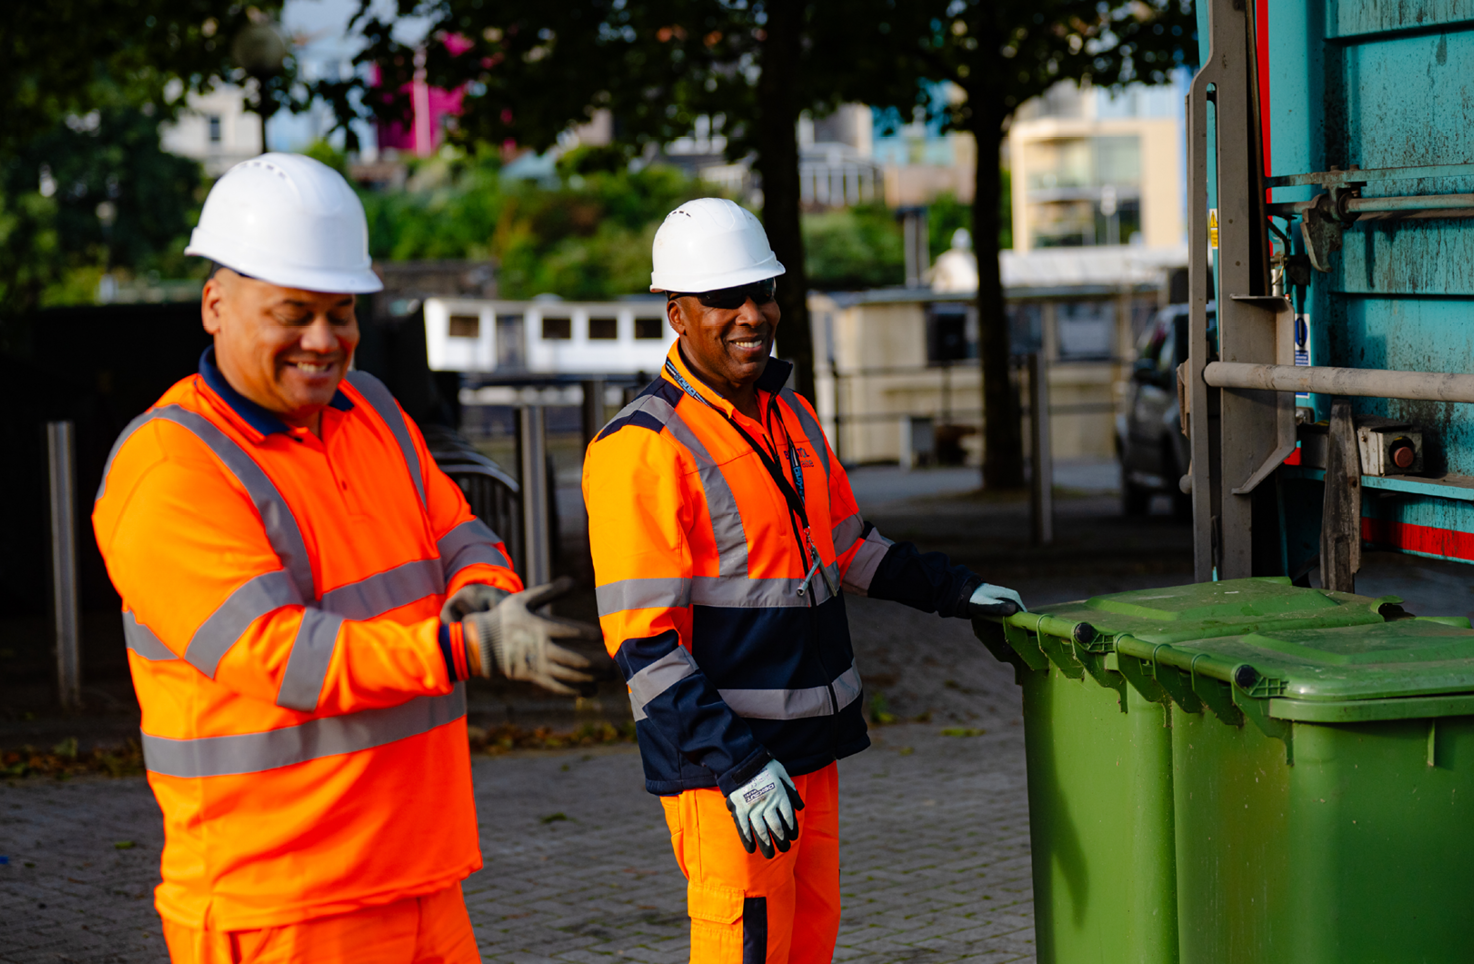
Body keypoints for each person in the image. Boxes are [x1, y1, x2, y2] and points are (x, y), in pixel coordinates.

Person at [92, 153, 597, 964]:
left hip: (422, 876)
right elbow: (278, 653)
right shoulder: (171, 470)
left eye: (343, 312)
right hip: (279, 907)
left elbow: (460, 530)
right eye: (294, 313)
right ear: (215, 306)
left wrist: (481, 591)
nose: (324, 341)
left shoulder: (373, 410)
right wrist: (463, 646)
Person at [581, 198, 1024, 964]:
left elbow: (846, 548)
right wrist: (740, 768)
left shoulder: (790, 414)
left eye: (763, 292)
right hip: (731, 773)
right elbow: (644, 649)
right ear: (677, 313)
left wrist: (956, 592)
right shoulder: (641, 450)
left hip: (806, 760)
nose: (751, 314)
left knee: (808, 943)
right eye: (725, 298)